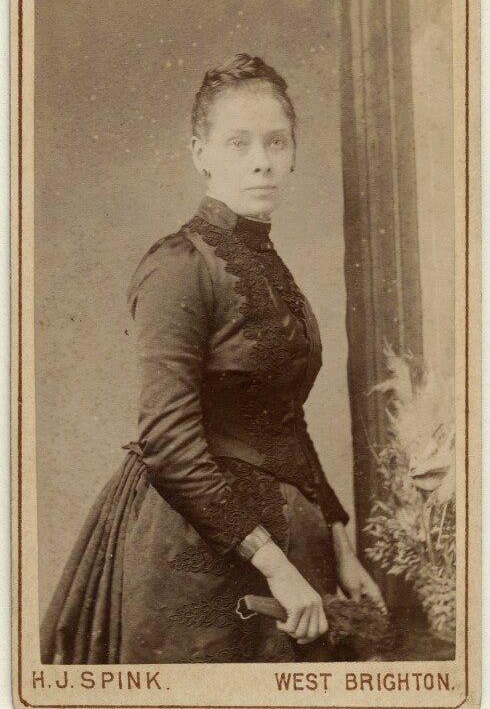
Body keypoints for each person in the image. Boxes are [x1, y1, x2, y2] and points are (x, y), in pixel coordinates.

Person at [41, 52, 384, 665]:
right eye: (238, 143)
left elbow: (284, 420)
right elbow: (168, 443)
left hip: (286, 551)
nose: (262, 160)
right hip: (194, 549)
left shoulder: (268, 265)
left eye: (276, 141)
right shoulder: (179, 265)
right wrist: (274, 564)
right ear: (200, 153)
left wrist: (340, 543)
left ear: (293, 152)